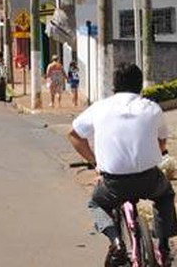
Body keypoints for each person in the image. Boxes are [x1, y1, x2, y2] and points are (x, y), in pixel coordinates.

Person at [68, 63, 177, 266]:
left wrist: (94, 162)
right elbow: (161, 142)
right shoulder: (153, 108)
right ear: (140, 87)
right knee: (165, 195)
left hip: (114, 182)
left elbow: (74, 135)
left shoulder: (100, 107)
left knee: (96, 203)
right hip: (149, 179)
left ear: (114, 87)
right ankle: (163, 245)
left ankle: (116, 242)